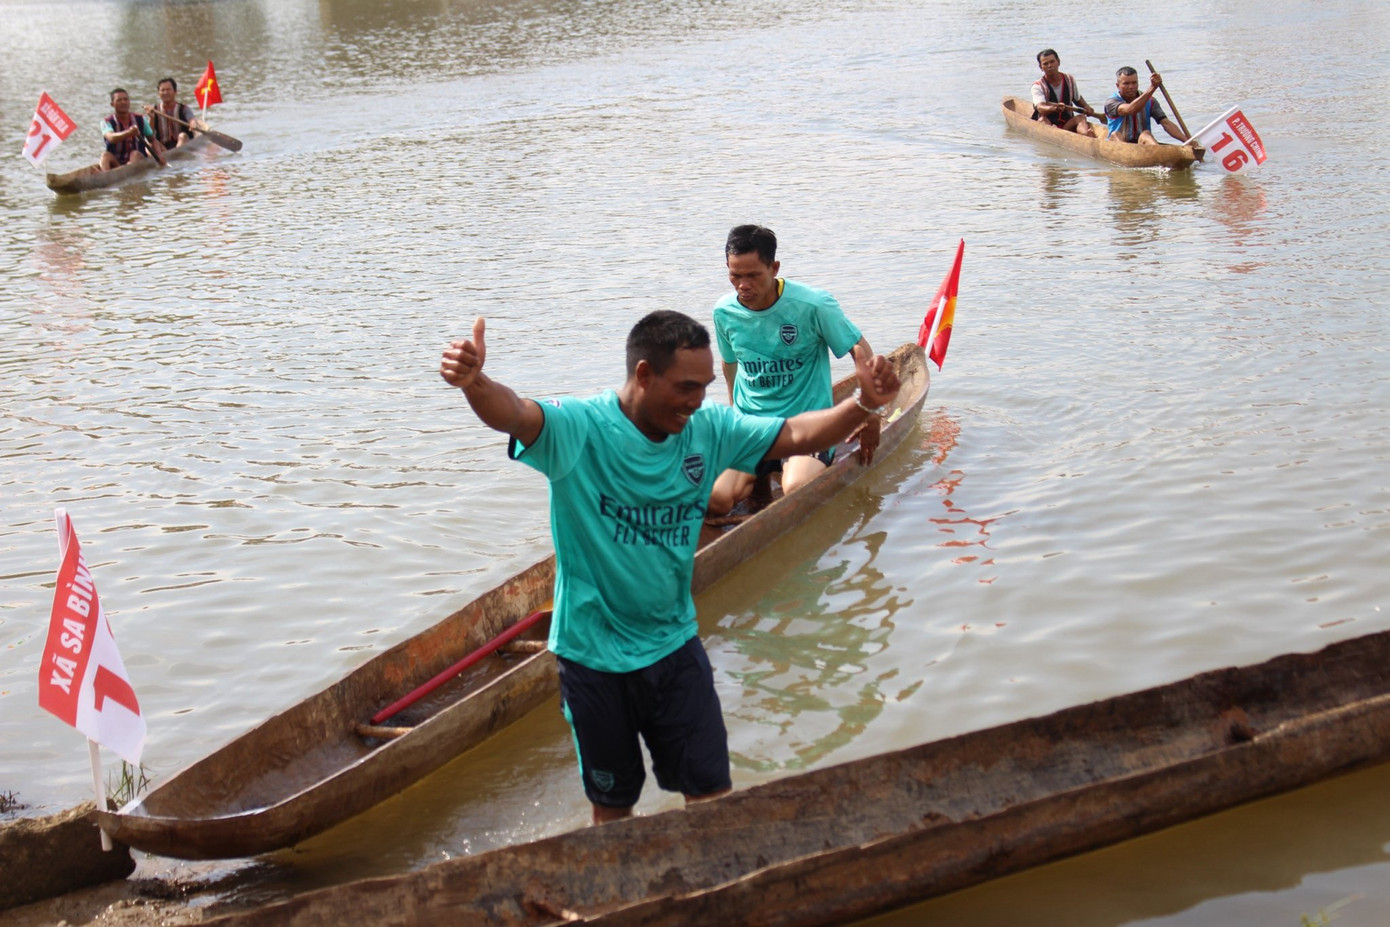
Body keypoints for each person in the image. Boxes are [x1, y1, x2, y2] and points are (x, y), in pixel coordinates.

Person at [439, 310, 900, 823]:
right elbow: (516, 414)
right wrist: (475, 383)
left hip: (675, 649)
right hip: (592, 657)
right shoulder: (580, 429)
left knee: (710, 798)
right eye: (685, 388)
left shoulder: (708, 429)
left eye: (704, 387)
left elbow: (794, 433)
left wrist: (862, 404)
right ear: (642, 375)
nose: (697, 401)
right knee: (612, 809)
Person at [706, 224, 881, 517]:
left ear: (774, 268)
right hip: (753, 426)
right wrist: (733, 416)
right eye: (735, 276)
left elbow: (861, 351)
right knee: (717, 499)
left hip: (806, 427)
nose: (743, 286)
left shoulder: (813, 305)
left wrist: (871, 413)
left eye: (752, 276)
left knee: (796, 487)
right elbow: (729, 364)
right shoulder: (724, 312)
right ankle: (756, 479)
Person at [1104, 67, 1189, 145]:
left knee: (1146, 134)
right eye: (1126, 83)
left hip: (1141, 142)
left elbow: (1166, 123)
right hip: (1118, 143)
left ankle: (1156, 152)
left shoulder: (1150, 101)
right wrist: (1152, 87)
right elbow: (1131, 109)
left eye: (1134, 83)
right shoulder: (1111, 102)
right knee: (1115, 134)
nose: (1131, 87)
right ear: (1118, 86)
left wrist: (1187, 141)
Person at [1031, 49, 1098, 137]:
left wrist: (1086, 107)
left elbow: (1077, 99)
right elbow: (1040, 107)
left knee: (1081, 118)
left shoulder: (1069, 79)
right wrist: (1053, 108)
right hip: (1049, 123)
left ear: (1058, 62)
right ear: (1041, 67)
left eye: (1052, 62)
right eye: (1045, 64)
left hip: (1066, 123)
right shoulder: (1038, 86)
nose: (1050, 66)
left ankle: (1086, 135)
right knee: (1042, 119)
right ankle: (1054, 134)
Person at [100, 88, 165, 171]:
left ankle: (126, 169)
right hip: (117, 161)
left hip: (137, 158)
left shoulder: (141, 119)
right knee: (105, 156)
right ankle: (106, 176)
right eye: (119, 100)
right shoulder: (106, 122)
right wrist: (128, 133)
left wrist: (159, 156)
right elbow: (111, 138)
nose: (123, 102)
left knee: (135, 154)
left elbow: (152, 140)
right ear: (112, 104)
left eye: (125, 99)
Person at [144, 77, 200, 150]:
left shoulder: (183, 109)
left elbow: (192, 119)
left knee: (182, 136)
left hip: (182, 145)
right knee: (152, 144)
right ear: (158, 93)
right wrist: (152, 118)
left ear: (175, 92)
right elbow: (149, 134)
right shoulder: (154, 110)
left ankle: (178, 156)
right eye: (163, 90)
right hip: (163, 148)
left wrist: (193, 123)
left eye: (168, 89)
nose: (165, 93)